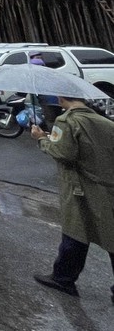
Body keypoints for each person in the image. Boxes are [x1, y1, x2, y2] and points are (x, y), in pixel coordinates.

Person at [30, 95, 114, 303]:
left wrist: (41, 138)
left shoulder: (66, 121)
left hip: (80, 188)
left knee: (75, 233)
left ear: (61, 99)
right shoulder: (105, 122)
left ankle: (63, 278)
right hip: (107, 187)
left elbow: (64, 154)